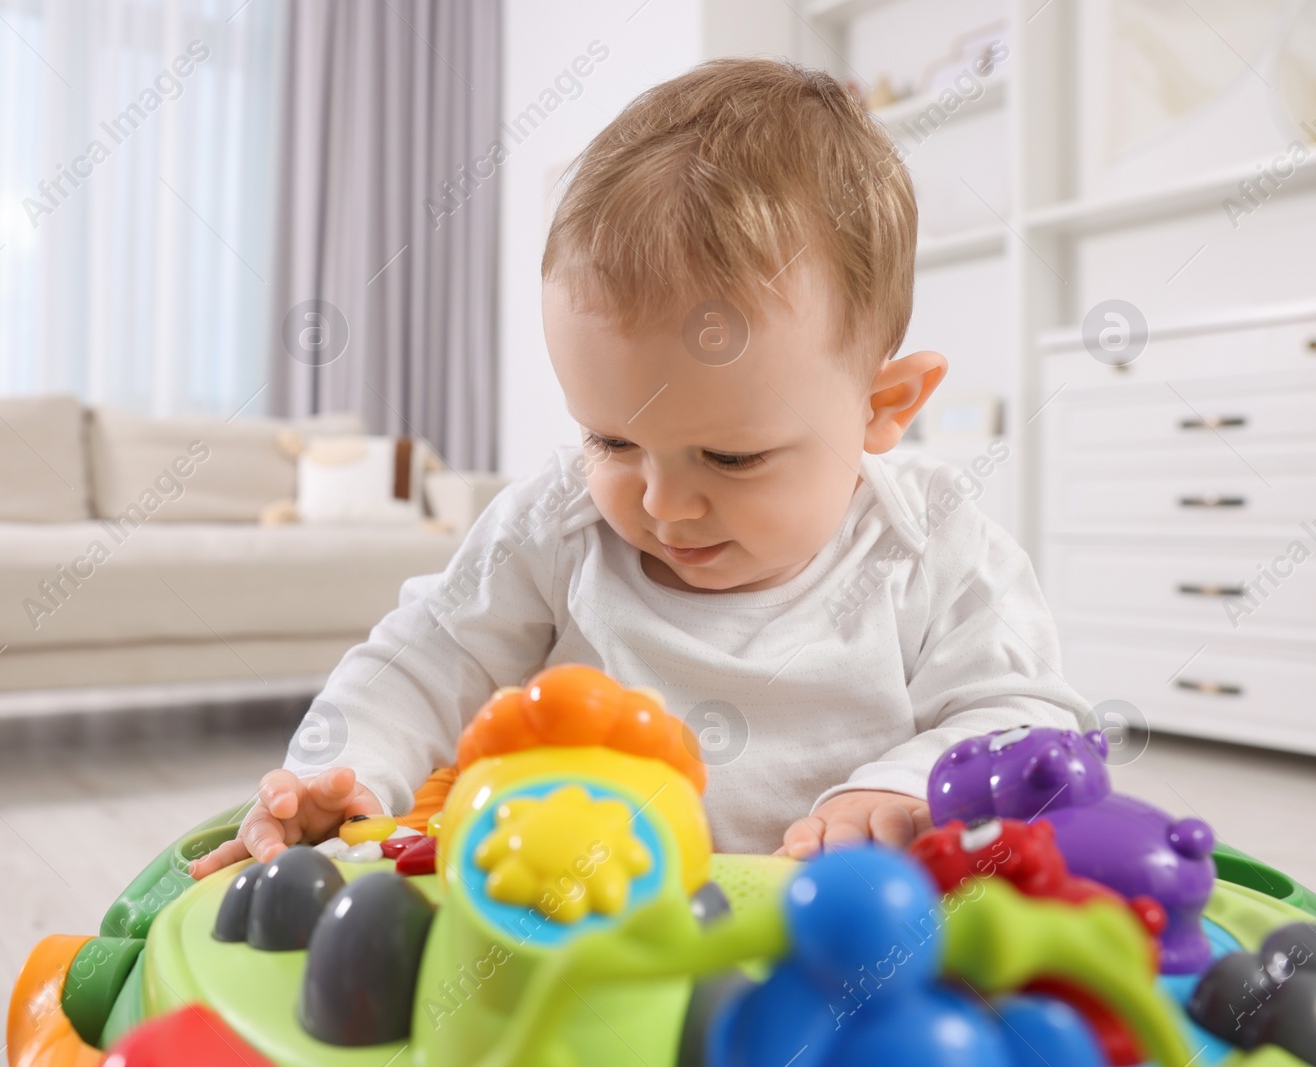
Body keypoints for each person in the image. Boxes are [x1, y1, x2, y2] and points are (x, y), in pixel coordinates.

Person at [191, 58, 1089, 879]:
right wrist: (330, 775)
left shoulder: (931, 542)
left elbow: (1027, 719)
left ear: (882, 407)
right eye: (612, 441)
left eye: (732, 456)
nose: (662, 503)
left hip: (836, 947)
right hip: (579, 922)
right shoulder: (558, 524)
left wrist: (902, 788)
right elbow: (425, 655)